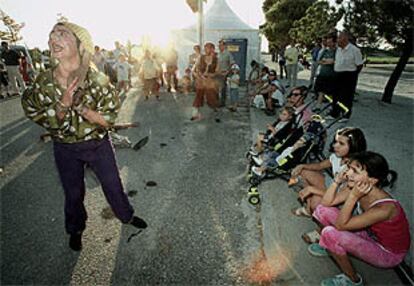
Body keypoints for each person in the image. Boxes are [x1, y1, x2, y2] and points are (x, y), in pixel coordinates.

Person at [21, 21, 148, 251]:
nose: (53, 38)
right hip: (65, 148)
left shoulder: (96, 80)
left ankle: (126, 216)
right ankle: (76, 229)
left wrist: (83, 110)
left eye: (62, 33)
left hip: (97, 144)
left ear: (80, 46)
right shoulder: (43, 82)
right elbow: (31, 109)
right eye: (52, 34)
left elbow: (108, 119)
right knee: (73, 192)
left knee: (113, 185)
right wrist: (62, 106)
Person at [309, 151, 410, 286]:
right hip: (370, 235)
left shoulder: (385, 209)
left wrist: (353, 197)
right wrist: (337, 181)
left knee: (330, 234)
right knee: (322, 210)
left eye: (355, 171)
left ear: (372, 181)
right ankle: (330, 246)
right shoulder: (356, 187)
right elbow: (326, 203)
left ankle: (353, 280)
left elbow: (340, 225)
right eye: (349, 167)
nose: (348, 173)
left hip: (388, 253)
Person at [290, 127, 367, 218]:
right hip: (333, 185)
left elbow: (338, 197)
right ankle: (309, 207)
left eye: (341, 144)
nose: (335, 146)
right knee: (302, 172)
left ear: (354, 146)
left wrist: (312, 189)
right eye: (336, 141)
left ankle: (320, 225)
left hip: (340, 198)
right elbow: (320, 166)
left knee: (316, 202)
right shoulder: (337, 156)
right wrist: (302, 166)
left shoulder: (353, 169)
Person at [329, 31, 363, 121]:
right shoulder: (338, 49)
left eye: (339, 38)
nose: (337, 40)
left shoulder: (355, 50)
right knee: (335, 95)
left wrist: (353, 75)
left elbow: (359, 65)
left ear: (345, 39)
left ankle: (345, 115)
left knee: (347, 96)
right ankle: (334, 113)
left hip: (349, 75)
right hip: (337, 74)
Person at [191, 42, 219, 121]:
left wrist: (211, 75)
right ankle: (195, 113)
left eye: (208, 48)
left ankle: (215, 113)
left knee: (211, 97)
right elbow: (195, 68)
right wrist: (198, 74)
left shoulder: (216, 59)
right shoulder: (201, 57)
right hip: (201, 80)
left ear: (212, 49)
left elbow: (217, 70)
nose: (206, 50)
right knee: (198, 95)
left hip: (210, 81)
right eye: (206, 48)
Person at [313, 34, 337, 112]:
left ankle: (332, 107)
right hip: (323, 73)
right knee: (321, 91)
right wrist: (327, 61)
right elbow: (319, 61)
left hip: (332, 74)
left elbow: (335, 61)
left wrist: (328, 61)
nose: (328, 43)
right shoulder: (325, 51)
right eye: (327, 42)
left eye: (330, 42)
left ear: (334, 42)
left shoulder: (337, 51)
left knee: (331, 92)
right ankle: (318, 106)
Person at [217, 39, 235, 107]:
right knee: (217, 88)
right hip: (218, 73)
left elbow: (232, 63)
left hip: (224, 73)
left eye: (221, 45)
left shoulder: (228, 53)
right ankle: (217, 100)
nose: (219, 47)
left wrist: (227, 72)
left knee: (222, 88)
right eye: (219, 45)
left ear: (224, 46)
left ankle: (222, 102)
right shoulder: (218, 54)